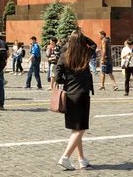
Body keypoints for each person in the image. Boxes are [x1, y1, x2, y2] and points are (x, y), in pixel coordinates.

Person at [55, 30, 96, 170]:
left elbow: (57, 75)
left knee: (75, 128)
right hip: (82, 93)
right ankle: (65, 157)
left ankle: (81, 159)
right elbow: (94, 44)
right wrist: (83, 37)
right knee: (81, 129)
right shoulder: (86, 53)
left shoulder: (64, 55)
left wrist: (65, 80)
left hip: (69, 93)